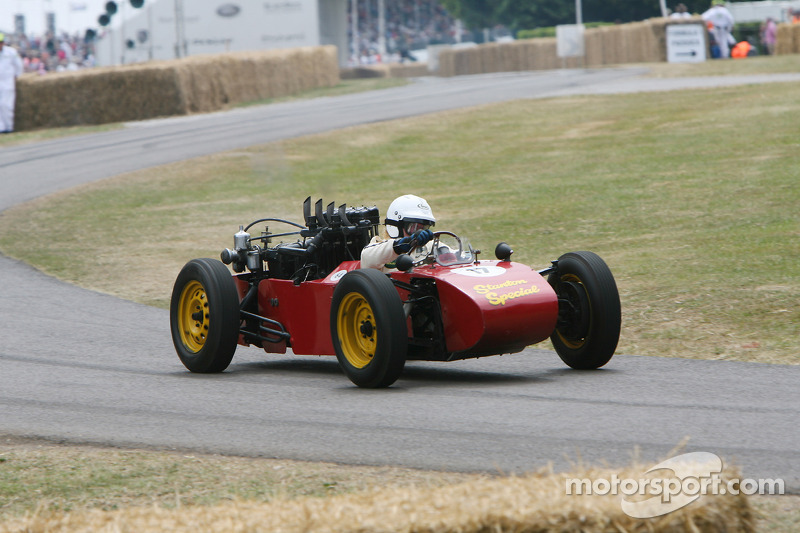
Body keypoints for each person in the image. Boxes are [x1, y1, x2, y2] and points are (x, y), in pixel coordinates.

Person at [361, 194, 435, 272]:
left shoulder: (430, 247)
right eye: (414, 227)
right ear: (396, 226)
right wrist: (403, 244)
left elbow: (448, 259)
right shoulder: (378, 247)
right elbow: (367, 258)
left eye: (424, 228)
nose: (419, 233)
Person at [0, 33, 24, 134]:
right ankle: (1, 128)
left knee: (6, 105)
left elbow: (19, 65)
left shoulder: (11, 52)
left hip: (7, 83)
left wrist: (16, 76)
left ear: (3, 43)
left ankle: (9, 127)